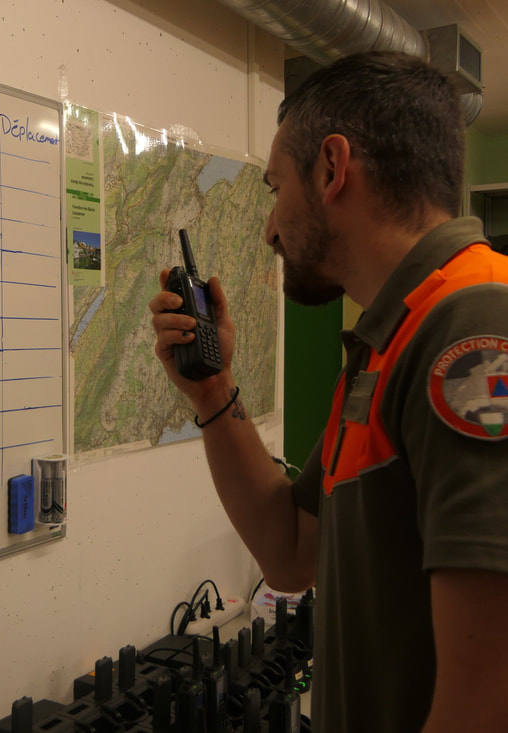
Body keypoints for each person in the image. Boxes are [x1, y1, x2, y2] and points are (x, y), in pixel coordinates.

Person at [148, 51, 508, 732]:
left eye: (276, 188)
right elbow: (290, 552)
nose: (270, 227)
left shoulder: (474, 328)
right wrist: (213, 390)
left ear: (333, 169)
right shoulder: (388, 342)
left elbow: (489, 698)